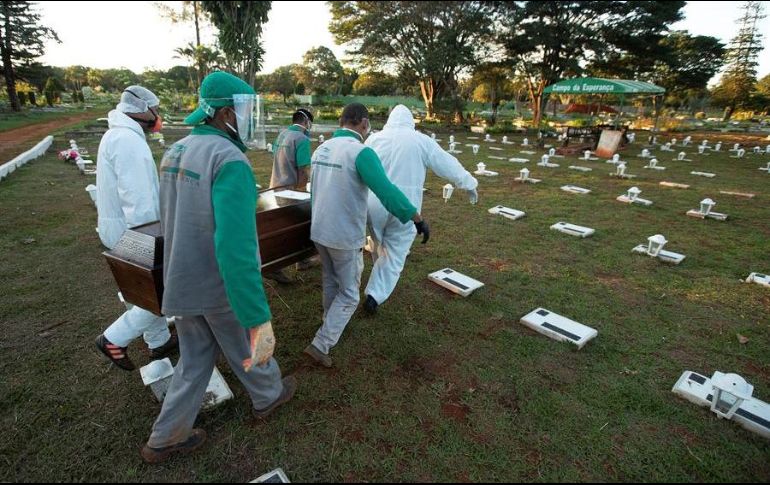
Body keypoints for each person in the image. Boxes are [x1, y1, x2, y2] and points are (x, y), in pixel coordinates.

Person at [141, 71, 296, 463]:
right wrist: (258, 314)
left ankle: (164, 438)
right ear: (226, 112)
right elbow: (236, 246)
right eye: (244, 111)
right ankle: (269, 395)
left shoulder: (174, 152)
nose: (248, 119)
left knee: (195, 359)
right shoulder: (230, 160)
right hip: (219, 283)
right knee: (248, 342)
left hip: (182, 278)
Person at [303, 103, 430, 369]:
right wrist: (415, 217)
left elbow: (314, 192)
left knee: (330, 279)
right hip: (344, 235)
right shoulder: (362, 152)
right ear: (362, 123)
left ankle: (330, 320)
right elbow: (387, 191)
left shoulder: (321, 149)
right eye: (367, 124)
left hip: (319, 230)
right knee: (349, 294)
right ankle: (321, 343)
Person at [363, 105, 478, 314]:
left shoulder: (374, 138)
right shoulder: (421, 140)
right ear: (411, 121)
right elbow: (447, 164)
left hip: (373, 202)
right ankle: (374, 295)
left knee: (378, 242)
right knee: (395, 253)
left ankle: (375, 281)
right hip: (406, 207)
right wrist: (469, 183)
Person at [94, 86, 177, 371]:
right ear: (142, 109)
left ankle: (159, 341)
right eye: (156, 108)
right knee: (158, 290)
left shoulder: (116, 135)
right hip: (135, 229)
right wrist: (152, 239)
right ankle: (114, 338)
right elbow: (138, 199)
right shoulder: (128, 141)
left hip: (117, 226)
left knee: (141, 289)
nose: (159, 115)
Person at [265, 108, 316, 283]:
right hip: (290, 189)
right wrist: (302, 192)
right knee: (292, 227)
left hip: (275, 186)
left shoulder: (282, 135)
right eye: (310, 123)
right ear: (306, 121)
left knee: (285, 226)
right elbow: (303, 170)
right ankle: (276, 266)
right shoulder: (302, 139)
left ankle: (301, 260)